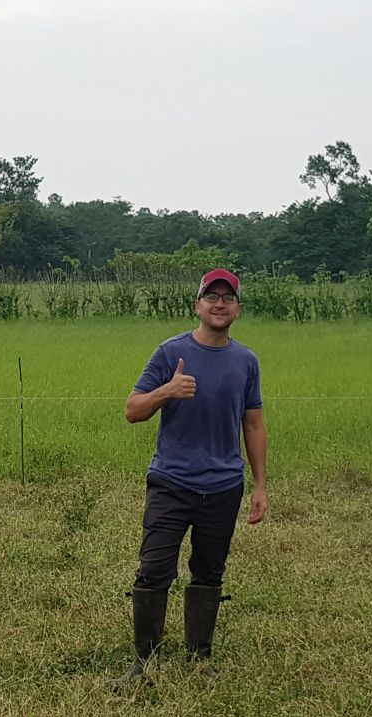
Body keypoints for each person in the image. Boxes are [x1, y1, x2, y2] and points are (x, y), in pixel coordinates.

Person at [120, 268, 267, 682]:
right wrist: (167, 391)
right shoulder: (170, 353)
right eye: (212, 296)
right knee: (154, 568)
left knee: (209, 571)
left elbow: (253, 424)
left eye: (228, 297)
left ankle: (200, 658)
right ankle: (144, 661)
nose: (220, 304)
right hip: (171, 482)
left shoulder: (246, 361)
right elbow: (132, 410)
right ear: (197, 305)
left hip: (223, 486)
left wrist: (260, 485)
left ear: (238, 308)